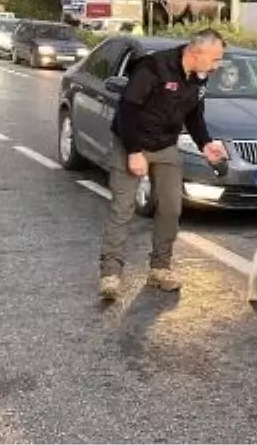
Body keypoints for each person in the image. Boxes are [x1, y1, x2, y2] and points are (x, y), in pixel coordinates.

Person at [98, 29, 229, 301]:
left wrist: (206, 144)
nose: (217, 66)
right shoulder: (153, 67)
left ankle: (160, 269)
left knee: (171, 207)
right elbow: (127, 110)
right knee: (122, 209)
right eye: (215, 59)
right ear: (196, 52)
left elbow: (194, 115)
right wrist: (134, 152)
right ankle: (110, 275)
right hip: (131, 141)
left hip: (166, 145)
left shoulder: (199, 78)